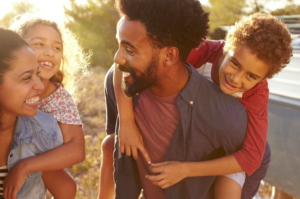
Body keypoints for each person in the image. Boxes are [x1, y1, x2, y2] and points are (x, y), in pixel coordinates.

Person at [100, 8, 292, 199]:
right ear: (227, 47)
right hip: (200, 137)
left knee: (228, 189)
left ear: (263, 78)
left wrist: (186, 170)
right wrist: (126, 122)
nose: (236, 78)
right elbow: (128, 62)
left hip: (231, 156)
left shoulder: (257, 93)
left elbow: (251, 157)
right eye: (234, 63)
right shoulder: (205, 52)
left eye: (251, 76)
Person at [5, 13, 91, 198]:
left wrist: (28, 166)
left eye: (57, 47)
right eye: (39, 44)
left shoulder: (59, 98)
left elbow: (77, 149)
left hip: (36, 166)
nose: (50, 52)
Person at [0, 27, 63, 199]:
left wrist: (33, 164)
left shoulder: (43, 129)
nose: (40, 86)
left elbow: (66, 191)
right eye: (27, 78)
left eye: (37, 74)